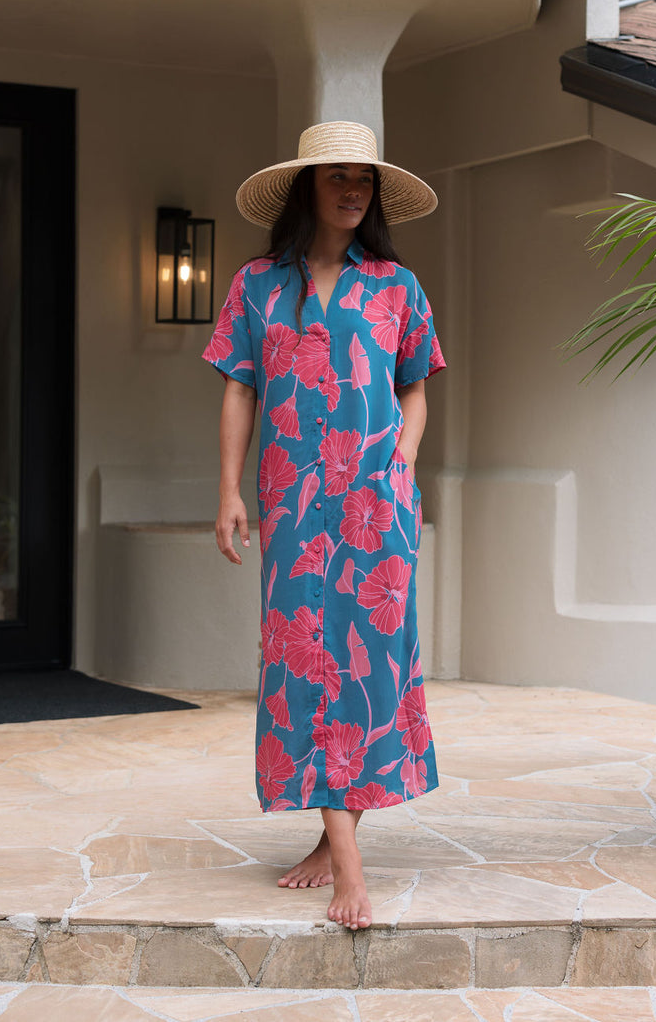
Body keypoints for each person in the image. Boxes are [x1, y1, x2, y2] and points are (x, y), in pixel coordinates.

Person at [202, 120, 446, 931]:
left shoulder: (397, 288)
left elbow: (416, 387)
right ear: (307, 185)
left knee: (369, 664)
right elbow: (239, 387)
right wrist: (230, 489)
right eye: (337, 175)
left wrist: (403, 460)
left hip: (379, 507)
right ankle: (346, 861)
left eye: (364, 179)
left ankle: (334, 846)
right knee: (307, 661)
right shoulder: (257, 286)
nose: (352, 189)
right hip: (294, 502)